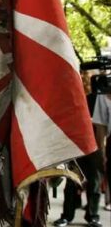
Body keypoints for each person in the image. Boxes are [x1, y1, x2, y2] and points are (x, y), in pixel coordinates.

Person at [53, 71, 103, 227]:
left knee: (94, 182)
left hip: (94, 145)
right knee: (71, 181)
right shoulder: (70, 95)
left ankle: (93, 216)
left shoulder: (98, 97)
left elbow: (102, 124)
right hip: (74, 143)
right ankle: (67, 215)